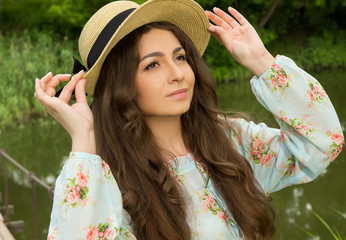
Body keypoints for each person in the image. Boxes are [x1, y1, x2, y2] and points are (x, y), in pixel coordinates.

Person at [34, 0, 344, 239]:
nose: (178, 74)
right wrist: (84, 140)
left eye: (180, 57)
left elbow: (322, 143)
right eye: (152, 65)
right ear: (121, 86)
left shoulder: (231, 141)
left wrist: (262, 63)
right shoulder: (107, 180)